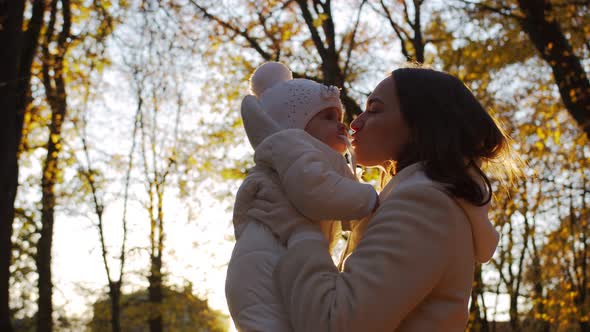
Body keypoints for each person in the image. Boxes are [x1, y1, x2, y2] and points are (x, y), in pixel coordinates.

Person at [245, 66, 517, 331]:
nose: (354, 123)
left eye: (374, 110)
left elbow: (334, 323)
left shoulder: (425, 207)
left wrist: (298, 229)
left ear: (420, 122)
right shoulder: (418, 200)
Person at [225, 62, 379, 331]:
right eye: (328, 118)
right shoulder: (292, 146)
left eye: (339, 116)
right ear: (297, 125)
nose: (341, 124)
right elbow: (316, 193)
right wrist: (369, 198)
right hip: (264, 266)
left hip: (275, 263)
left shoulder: (307, 155)